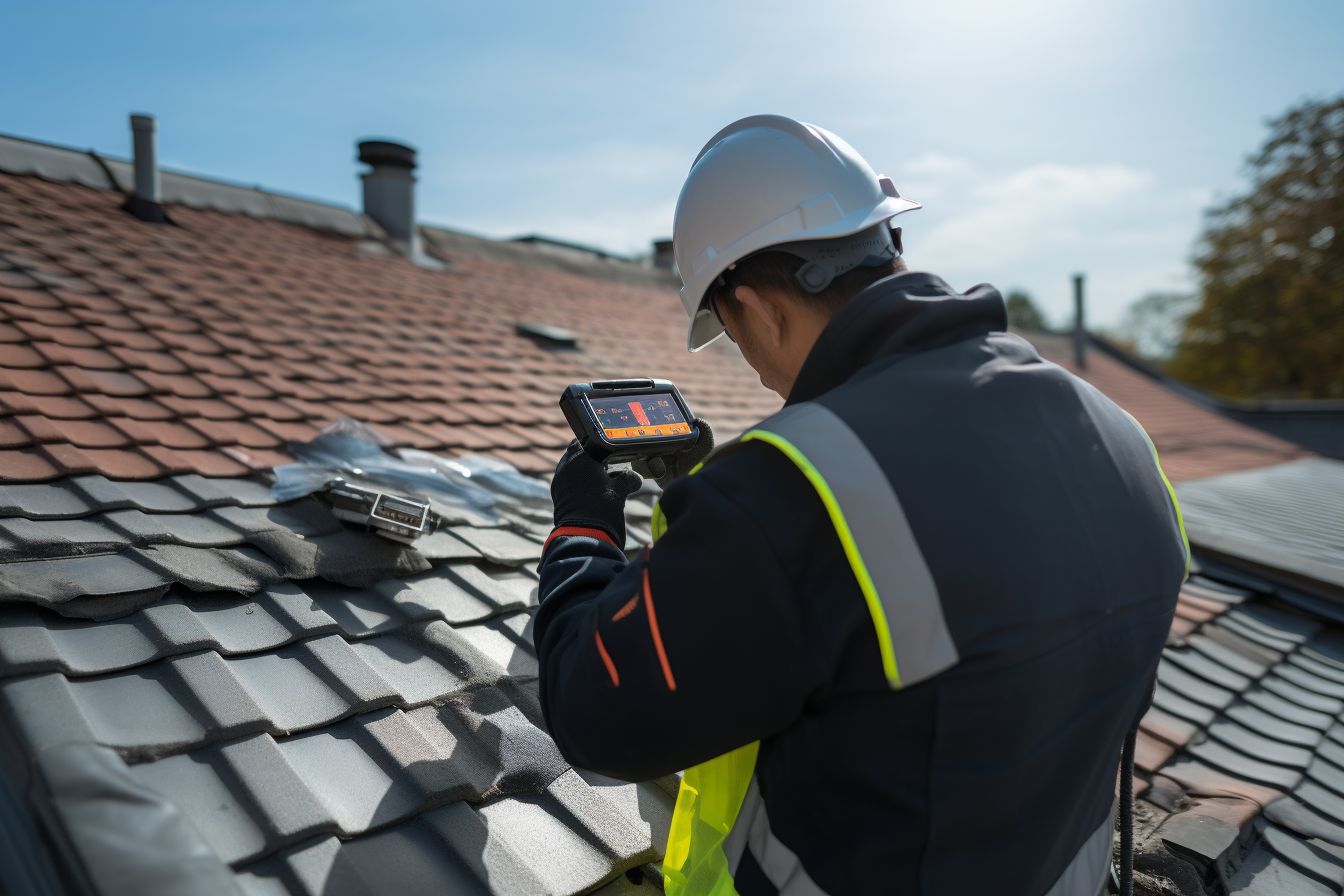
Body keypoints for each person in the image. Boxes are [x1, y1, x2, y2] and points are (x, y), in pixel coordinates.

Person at [534, 114, 1188, 896]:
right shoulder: (1120, 435)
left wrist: (583, 523)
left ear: (758, 307)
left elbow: (595, 717)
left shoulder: (788, 489)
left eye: (736, 336)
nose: (758, 374)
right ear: (889, 246)